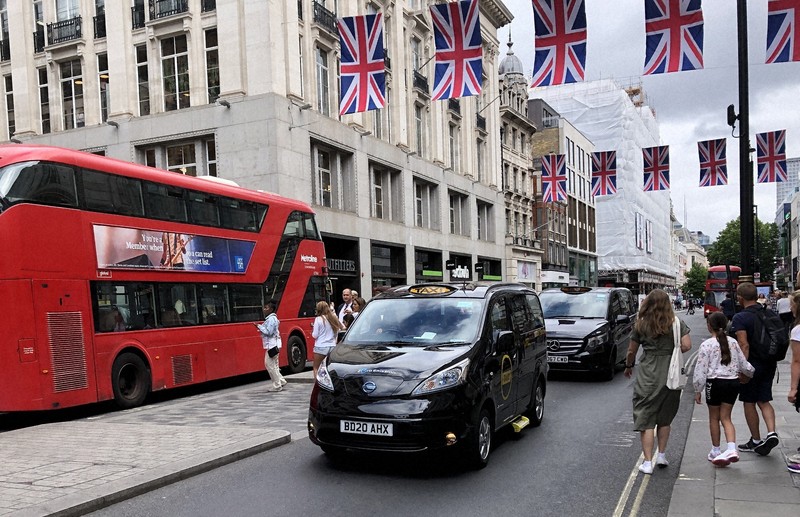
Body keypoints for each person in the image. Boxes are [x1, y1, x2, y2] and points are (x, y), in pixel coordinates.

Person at [624, 289, 692, 475]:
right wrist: (672, 352)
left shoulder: (641, 325)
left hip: (648, 375)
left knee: (646, 418)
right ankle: (661, 455)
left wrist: (629, 365)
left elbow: (631, 351)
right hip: (671, 374)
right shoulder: (676, 323)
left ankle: (647, 462)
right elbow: (687, 345)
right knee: (665, 418)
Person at [693, 312, 754, 467]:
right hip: (732, 383)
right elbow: (744, 364)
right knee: (726, 417)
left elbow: (701, 369)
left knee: (714, 417)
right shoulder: (733, 342)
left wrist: (697, 389)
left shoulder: (706, 345)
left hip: (714, 383)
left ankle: (716, 450)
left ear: (709, 327)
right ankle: (732, 448)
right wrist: (749, 375)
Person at [730, 282, 780, 455]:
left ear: (740, 298)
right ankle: (772, 432)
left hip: (751, 365)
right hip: (769, 362)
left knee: (749, 401)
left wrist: (743, 369)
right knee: (764, 399)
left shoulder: (741, 317)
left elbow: (744, 344)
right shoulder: (769, 312)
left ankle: (756, 439)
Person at [254, 300, 286, 392]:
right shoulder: (272, 319)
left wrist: (259, 327)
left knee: (269, 365)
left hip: (272, 345)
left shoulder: (271, 319)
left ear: (271, 309)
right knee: (275, 365)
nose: (264, 309)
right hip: (274, 344)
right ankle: (281, 381)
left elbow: (269, 332)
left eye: (266, 308)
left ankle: (277, 385)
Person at [313, 301, 344, 378]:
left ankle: (318, 385)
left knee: (317, 367)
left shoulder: (318, 319)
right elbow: (341, 328)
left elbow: (315, 335)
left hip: (321, 346)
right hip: (332, 346)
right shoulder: (333, 318)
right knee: (329, 368)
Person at [788, 290, 800, 462]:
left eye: (791, 304)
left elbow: (797, 360)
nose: (790, 307)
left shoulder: (797, 330)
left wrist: (793, 388)